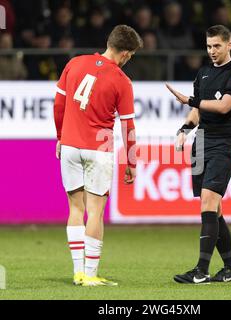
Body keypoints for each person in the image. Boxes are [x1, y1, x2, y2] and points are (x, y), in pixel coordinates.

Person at [53, 25, 143, 286]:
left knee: (74, 208)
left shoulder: (75, 63)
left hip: (69, 145)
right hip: (97, 149)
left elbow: (58, 106)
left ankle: (77, 272)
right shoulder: (121, 81)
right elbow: (128, 126)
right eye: (132, 55)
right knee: (94, 212)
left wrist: (60, 137)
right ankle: (90, 275)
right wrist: (132, 162)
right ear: (125, 53)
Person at [166, 24, 231, 284]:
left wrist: (190, 100)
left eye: (217, 46)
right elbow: (198, 112)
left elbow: (224, 106)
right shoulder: (202, 73)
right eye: (208, 46)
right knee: (216, 209)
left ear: (229, 45)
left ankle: (201, 271)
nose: (212, 51)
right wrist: (184, 128)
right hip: (201, 142)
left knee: (207, 203)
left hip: (224, 143)